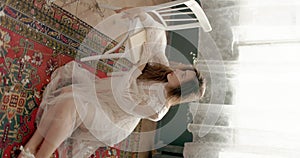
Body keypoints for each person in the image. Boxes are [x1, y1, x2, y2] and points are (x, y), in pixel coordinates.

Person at [18, 7, 206, 158]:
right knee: (68, 95)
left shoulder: (157, 109)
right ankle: (31, 147)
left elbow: (122, 94)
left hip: (112, 118)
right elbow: (158, 34)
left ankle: (42, 154)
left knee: (72, 103)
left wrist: (137, 69)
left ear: (180, 91)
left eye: (182, 77)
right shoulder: (164, 70)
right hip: (105, 94)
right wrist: (139, 13)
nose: (177, 72)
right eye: (183, 70)